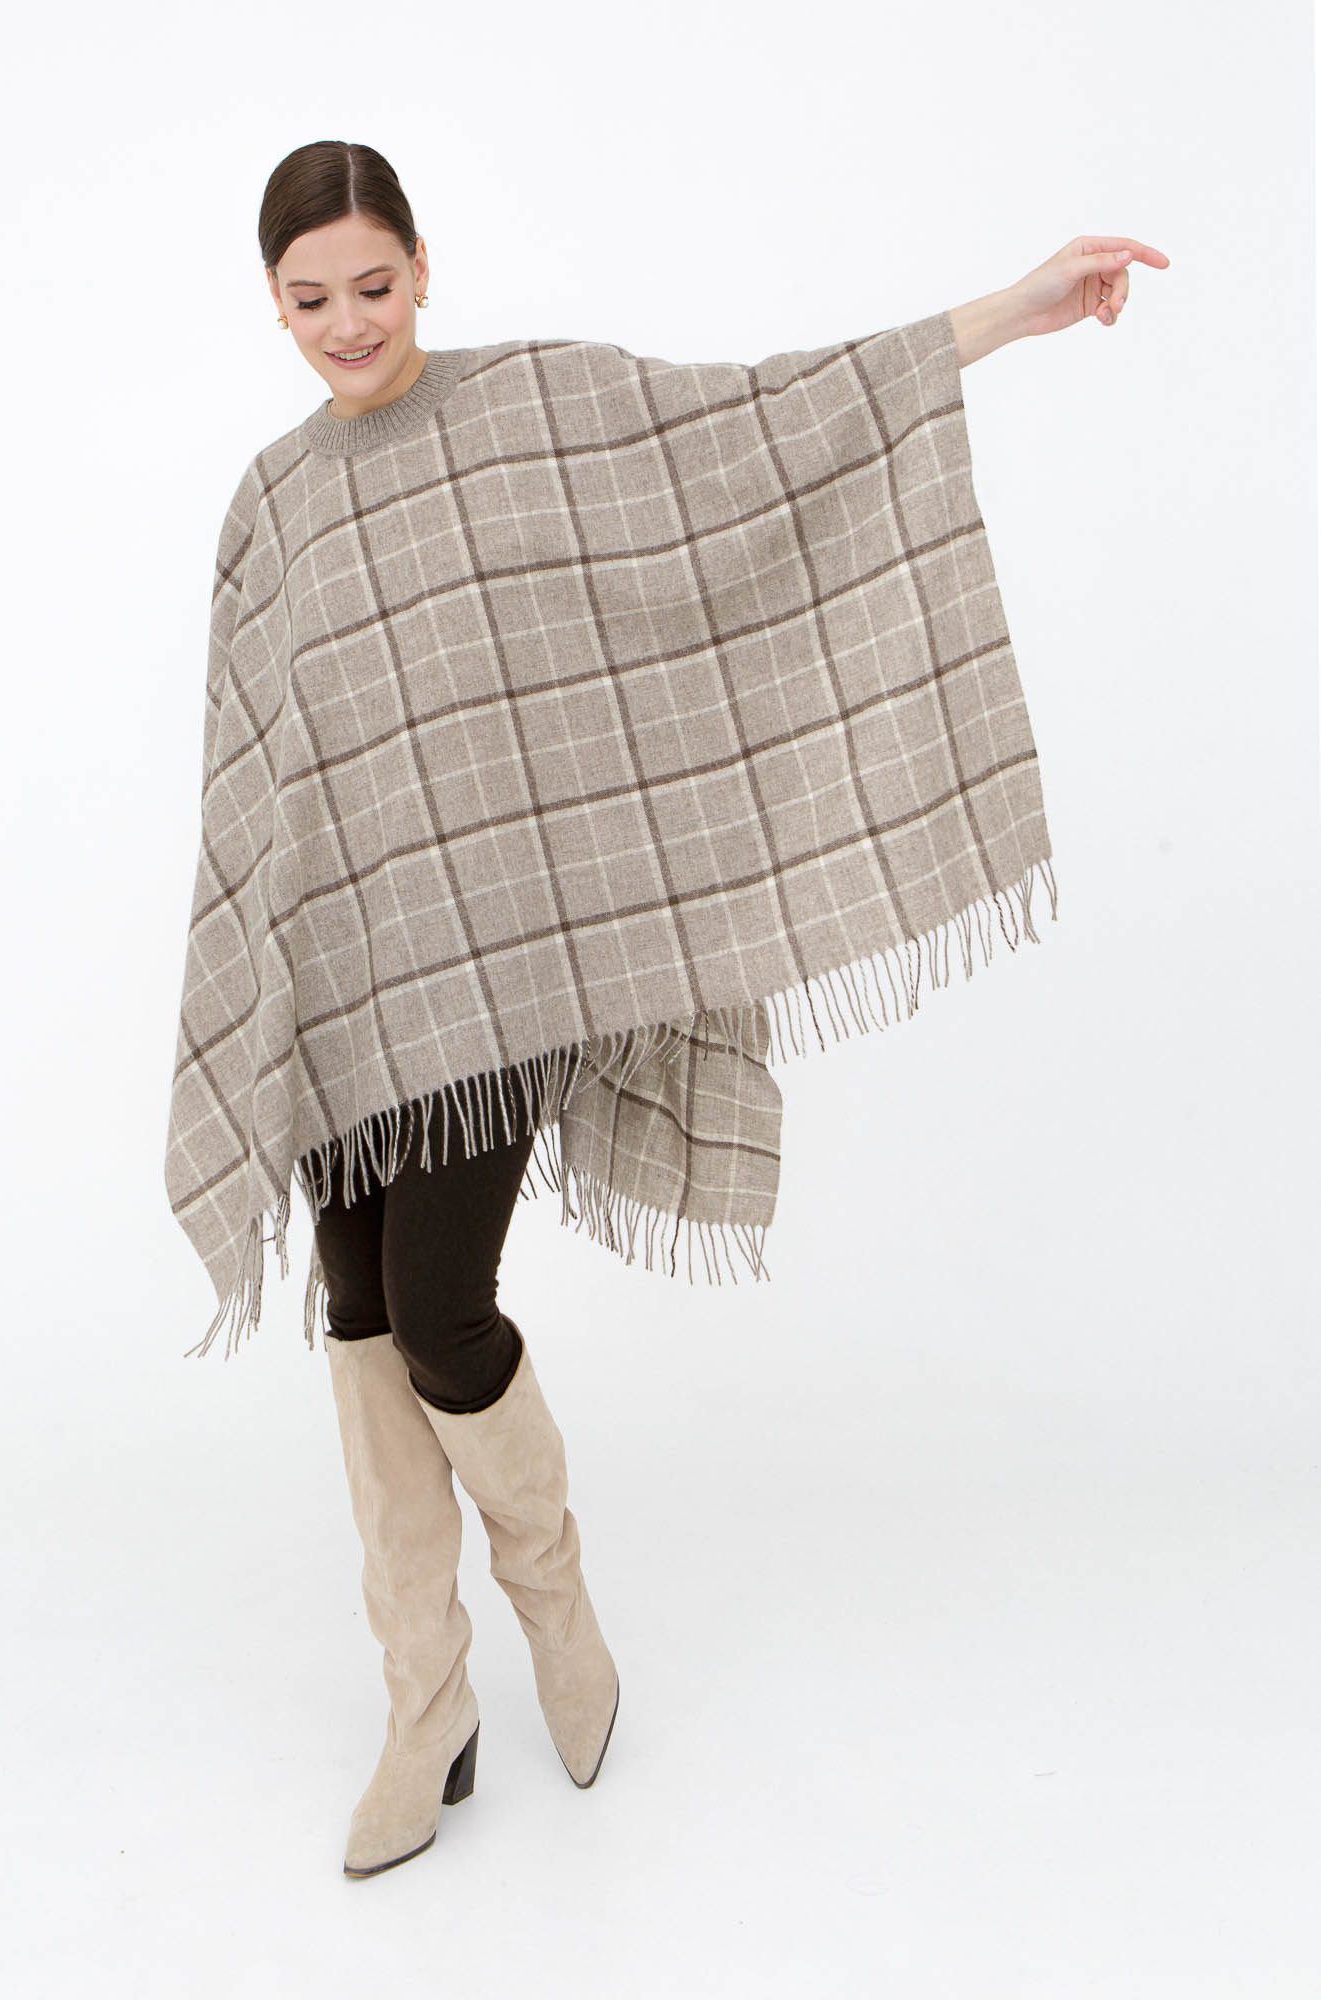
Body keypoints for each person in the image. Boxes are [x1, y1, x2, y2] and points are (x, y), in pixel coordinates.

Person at [216, 137, 1167, 1882]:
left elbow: (756, 434)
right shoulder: (269, 511)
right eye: (309, 299)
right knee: (354, 1313)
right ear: (271, 305)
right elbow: (258, 791)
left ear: (422, 267)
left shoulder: (535, 411)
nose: (347, 323)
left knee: (439, 1312)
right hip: (350, 983)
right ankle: (426, 1706)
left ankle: (558, 1613)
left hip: (510, 972)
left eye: (373, 284)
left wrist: (1010, 312)